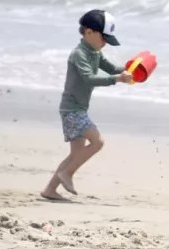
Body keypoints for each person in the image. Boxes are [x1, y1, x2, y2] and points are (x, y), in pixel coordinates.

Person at [41, 10, 133, 201]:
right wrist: (117, 79)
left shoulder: (95, 52)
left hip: (77, 109)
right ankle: (67, 174)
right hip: (72, 109)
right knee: (97, 142)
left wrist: (132, 68)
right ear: (89, 32)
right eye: (104, 37)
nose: (105, 43)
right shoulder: (79, 54)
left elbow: (114, 69)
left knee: (75, 155)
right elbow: (89, 78)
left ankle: (50, 189)